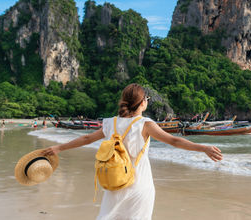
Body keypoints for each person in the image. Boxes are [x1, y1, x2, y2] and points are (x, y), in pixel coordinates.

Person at [43, 83, 223, 220]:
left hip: (114, 183)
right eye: (147, 99)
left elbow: (86, 139)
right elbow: (174, 140)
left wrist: (58, 148)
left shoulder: (110, 123)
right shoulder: (145, 124)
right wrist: (203, 148)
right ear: (143, 102)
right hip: (139, 185)